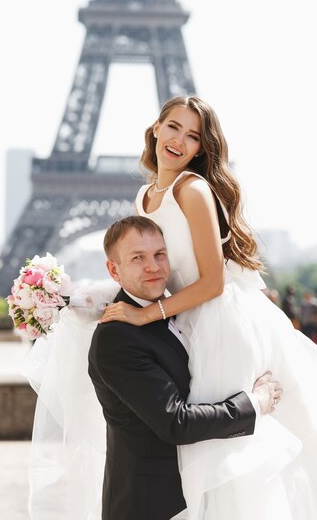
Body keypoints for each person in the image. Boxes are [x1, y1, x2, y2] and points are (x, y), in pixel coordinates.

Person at [99, 95, 317, 519]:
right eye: (173, 127)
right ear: (155, 128)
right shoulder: (146, 195)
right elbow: (141, 268)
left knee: (229, 461)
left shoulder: (193, 189)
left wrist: (148, 314)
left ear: (201, 148)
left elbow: (214, 282)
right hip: (184, 322)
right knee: (207, 460)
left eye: (193, 136)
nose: (179, 140)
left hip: (218, 323)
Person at [89, 216, 281, 520]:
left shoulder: (172, 312)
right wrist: (255, 403)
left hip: (193, 495)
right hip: (150, 506)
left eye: (159, 254)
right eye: (138, 257)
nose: (153, 266)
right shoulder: (117, 338)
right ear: (114, 269)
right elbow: (175, 422)